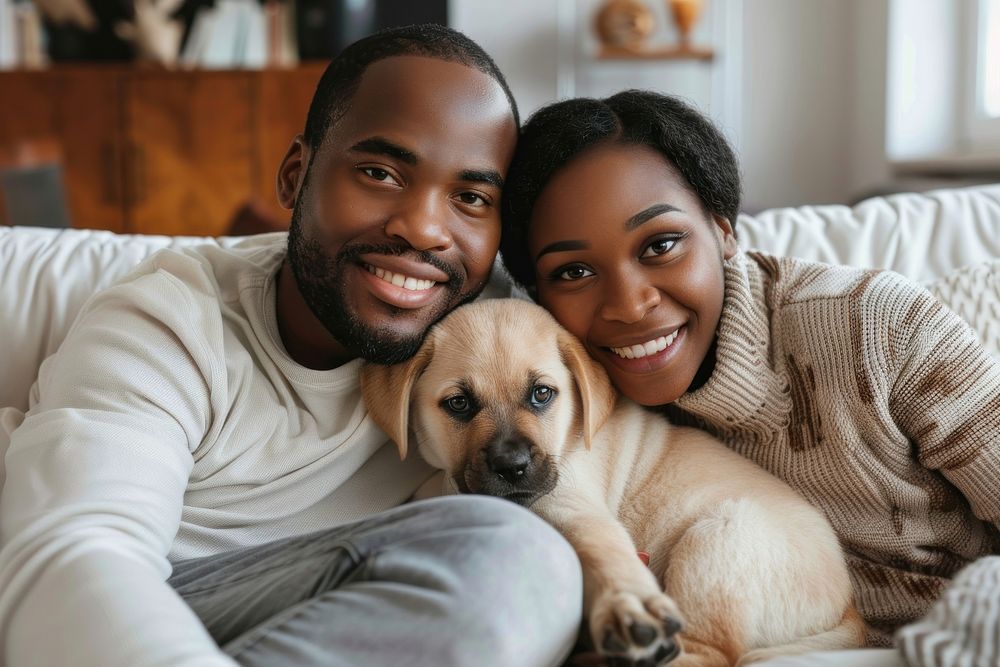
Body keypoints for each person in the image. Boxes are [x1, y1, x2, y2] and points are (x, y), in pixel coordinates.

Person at [0, 25, 582, 667]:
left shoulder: (504, 339)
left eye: (471, 197)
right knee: (515, 558)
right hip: (91, 607)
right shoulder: (171, 322)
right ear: (295, 176)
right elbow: (77, 554)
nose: (423, 228)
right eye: (381, 173)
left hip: (303, 605)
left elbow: (653, 318)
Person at [499, 90, 1000, 647]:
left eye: (661, 245)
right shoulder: (555, 398)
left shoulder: (880, 327)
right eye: (573, 272)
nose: (628, 304)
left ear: (724, 229)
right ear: (535, 294)